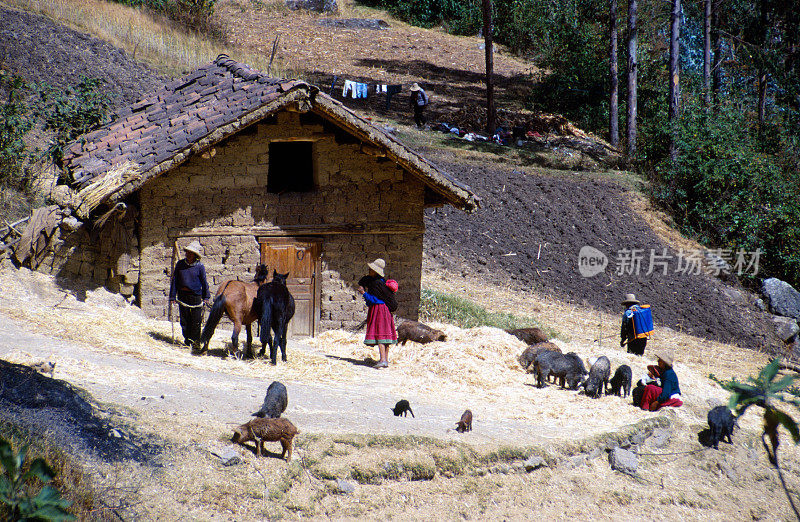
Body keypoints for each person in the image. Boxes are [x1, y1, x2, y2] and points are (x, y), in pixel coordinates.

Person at [169, 241, 210, 352]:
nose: (188, 254)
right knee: (184, 321)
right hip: (183, 296)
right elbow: (175, 281)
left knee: (196, 321)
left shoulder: (200, 267)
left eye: (190, 253)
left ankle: (196, 343)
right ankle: (187, 341)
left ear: (195, 255)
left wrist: (206, 297)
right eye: (187, 252)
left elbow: (204, 281)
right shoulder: (180, 264)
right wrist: (172, 296)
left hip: (196, 296)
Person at [357, 258, 398, 368]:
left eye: (371, 270)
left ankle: (382, 360)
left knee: (380, 333)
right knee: (386, 334)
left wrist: (363, 293)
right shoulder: (382, 282)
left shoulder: (376, 284)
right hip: (386, 310)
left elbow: (374, 299)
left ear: (375, 271)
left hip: (379, 309)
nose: (369, 271)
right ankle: (385, 360)